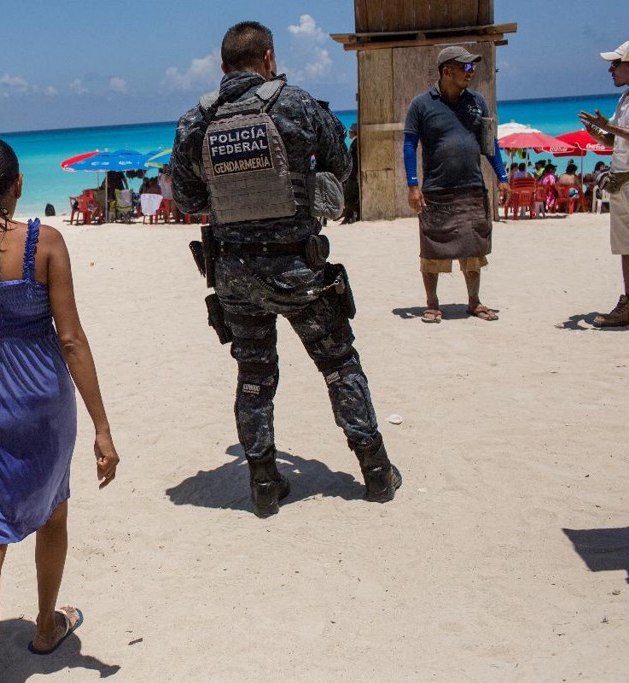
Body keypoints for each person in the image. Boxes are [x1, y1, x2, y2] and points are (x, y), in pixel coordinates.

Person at [171, 21, 401, 517]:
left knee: (254, 373)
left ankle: (264, 483)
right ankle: (376, 471)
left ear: (224, 67)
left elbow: (187, 199)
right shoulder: (297, 104)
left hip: (233, 272)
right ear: (269, 59)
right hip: (297, 265)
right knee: (338, 363)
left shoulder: (196, 120)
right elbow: (340, 166)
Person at [0, 137, 119, 682]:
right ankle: (44, 627)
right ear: (18, 186)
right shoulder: (46, 242)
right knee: (52, 510)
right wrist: (103, 427)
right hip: (40, 405)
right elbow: (72, 340)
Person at [404, 45, 510, 323]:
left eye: (472, 66)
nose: (471, 72)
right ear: (446, 71)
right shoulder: (421, 104)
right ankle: (432, 304)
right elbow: (409, 144)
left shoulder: (477, 102)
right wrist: (413, 184)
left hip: (471, 188)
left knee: (473, 247)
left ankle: (474, 302)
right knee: (432, 247)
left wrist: (503, 177)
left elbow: (490, 144)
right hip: (436, 190)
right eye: (465, 67)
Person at [581, 40, 629, 326]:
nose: (610, 69)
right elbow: (617, 140)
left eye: (615, 64)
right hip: (622, 181)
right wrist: (598, 134)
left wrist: (608, 127)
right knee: (625, 245)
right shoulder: (624, 99)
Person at [341, 123, 360, 224]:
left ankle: (355, 214)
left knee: (348, 196)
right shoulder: (354, 143)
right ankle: (350, 217)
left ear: (354, 132)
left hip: (353, 175)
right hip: (352, 174)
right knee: (350, 196)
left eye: (350, 131)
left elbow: (355, 160)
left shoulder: (355, 143)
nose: (349, 133)